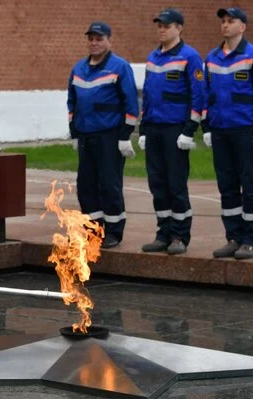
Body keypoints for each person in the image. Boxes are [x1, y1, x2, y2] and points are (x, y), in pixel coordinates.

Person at [203, 7, 253, 260]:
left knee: (250, 185)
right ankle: (233, 237)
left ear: (242, 27)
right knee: (227, 187)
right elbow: (206, 94)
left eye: (230, 21)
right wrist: (206, 126)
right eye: (223, 21)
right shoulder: (212, 57)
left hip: (246, 131)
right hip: (221, 130)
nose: (225, 25)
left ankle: (251, 240)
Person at [138, 9, 205, 255]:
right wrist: (143, 129)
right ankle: (163, 233)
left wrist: (190, 130)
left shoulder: (190, 57)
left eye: (166, 25)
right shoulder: (153, 57)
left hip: (176, 130)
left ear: (179, 28)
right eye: (159, 25)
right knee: (157, 184)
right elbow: (147, 95)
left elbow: (198, 95)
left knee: (176, 184)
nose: (161, 29)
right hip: (154, 128)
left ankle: (180, 235)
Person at [67, 20, 139, 249]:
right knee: (86, 186)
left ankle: (114, 232)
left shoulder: (119, 67)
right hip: (86, 136)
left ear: (109, 40)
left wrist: (125, 135)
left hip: (110, 136)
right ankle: (92, 231)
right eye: (91, 39)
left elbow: (131, 103)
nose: (94, 43)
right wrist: (75, 133)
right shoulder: (79, 68)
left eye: (99, 39)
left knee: (109, 185)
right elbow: (72, 103)